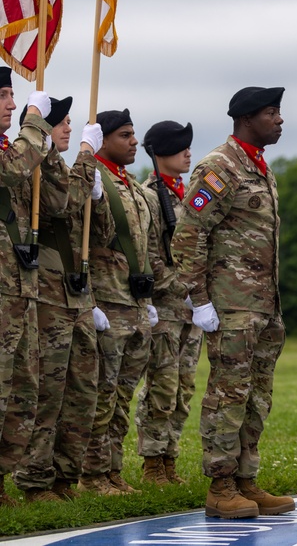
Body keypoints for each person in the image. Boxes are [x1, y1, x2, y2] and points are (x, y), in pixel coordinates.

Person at [171, 87, 294, 520]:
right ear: (245, 119)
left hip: (262, 306)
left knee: (256, 396)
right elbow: (189, 235)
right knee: (228, 395)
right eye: (271, 113)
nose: (279, 120)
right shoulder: (220, 167)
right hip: (230, 306)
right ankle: (220, 485)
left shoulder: (258, 168)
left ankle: (246, 479)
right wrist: (199, 300)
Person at [13, 98, 114, 502]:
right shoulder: (37, 168)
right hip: (49, 294)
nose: (71, 131)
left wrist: (99, 195)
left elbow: (101, 237)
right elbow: (60, 203)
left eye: (73, 124)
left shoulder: (65, 169)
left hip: (78, 294)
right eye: (63, 123)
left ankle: (64, 476)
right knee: (46, 394)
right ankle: (36, 479)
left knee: (82, 392)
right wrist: (88, 158)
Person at [80, 108, 160, 496]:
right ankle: (92, 475)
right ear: (104, 140)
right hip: (107, 302)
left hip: (136, 304)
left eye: (134, 135)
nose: (133, 142)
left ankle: (112, 471)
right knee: (101, 395)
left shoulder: (134, 188)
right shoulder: (92, 180)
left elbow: (145, 245)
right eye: (124, 135)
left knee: (122, 397)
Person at [0, 70, 65, 506]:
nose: (11, 102)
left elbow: (57, 204)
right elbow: (11, 173)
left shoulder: (15, 147)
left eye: (11, 94)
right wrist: (36, 122)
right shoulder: (14, 152)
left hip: (21, 288)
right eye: (4, 95)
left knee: (23, 390)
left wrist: (58, 153)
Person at [136, 120, 199, 486]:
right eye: (180, 147)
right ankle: (152, 462)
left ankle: (170, 458)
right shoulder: (149, 195)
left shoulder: (187, 193)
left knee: (184, 387)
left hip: (192, 307)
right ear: (160, 153)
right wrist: (182, 286)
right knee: (162, 385)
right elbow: (150, 254)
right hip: (166, 306)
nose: (187, 152)